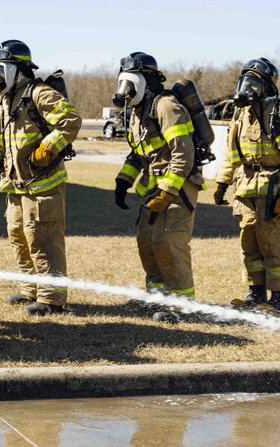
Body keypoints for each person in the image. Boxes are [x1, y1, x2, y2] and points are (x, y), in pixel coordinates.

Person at [0, 40, 82, 316]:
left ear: (17, 70)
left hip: (43, 184)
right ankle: (31, 288)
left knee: (43, 238)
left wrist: (46, 148)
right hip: (16, 184)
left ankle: (52, 298)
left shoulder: (39, 93)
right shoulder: (4, 100)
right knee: (19, 236)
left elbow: (70, 120)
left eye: (0, 69)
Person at [111, 52, 204, 321]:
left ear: (143, 81)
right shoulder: (138, 112)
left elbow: (183, 154)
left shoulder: (166, 107)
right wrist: (124, 180)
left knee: (169, 243)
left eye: (128, 84)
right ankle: (156, 299)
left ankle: (181, 306)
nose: (124, 91)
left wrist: (168, 191)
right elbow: (139, 153)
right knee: (147, 242)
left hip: (178, 187)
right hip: (154, 188)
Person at [213, 58, 280, 310]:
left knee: (272, 241)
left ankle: (278, 297)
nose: (247, 88)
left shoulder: (277, 110)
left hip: (272, 186)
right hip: (244, 186)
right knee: (248, 240)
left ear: (267, 86)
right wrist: (222, 183)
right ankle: (256, 292)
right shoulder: (241, 112)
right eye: (245, 81)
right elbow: (231, 153)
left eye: (254, 83)